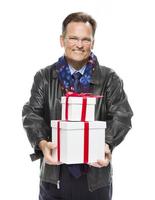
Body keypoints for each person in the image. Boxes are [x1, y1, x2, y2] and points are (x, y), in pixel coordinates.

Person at [22, 12, 133, 200]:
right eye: (73, 38)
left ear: (93, 43)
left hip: (95, 175)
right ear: (62, 40)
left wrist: (105, 145)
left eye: (85, 39)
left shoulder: (109, 78)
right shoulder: (44, 77)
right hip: (54, 174)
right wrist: (42, 143)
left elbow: (122, 115)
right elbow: (32, 114)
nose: (79, 45)